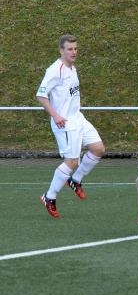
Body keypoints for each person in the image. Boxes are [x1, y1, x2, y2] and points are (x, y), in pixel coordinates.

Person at [36, 35, 106, 218]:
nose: (73, 52)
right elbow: (41, 95)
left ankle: (75, 180)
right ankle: (49, 197)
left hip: (78, 118)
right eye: (69, 49)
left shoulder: (72, 68)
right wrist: (56, 115)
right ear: (61, 50)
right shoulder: (55, 70)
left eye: (75, 48)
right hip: (65, 123)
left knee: (98, 149)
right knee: (72, 161)